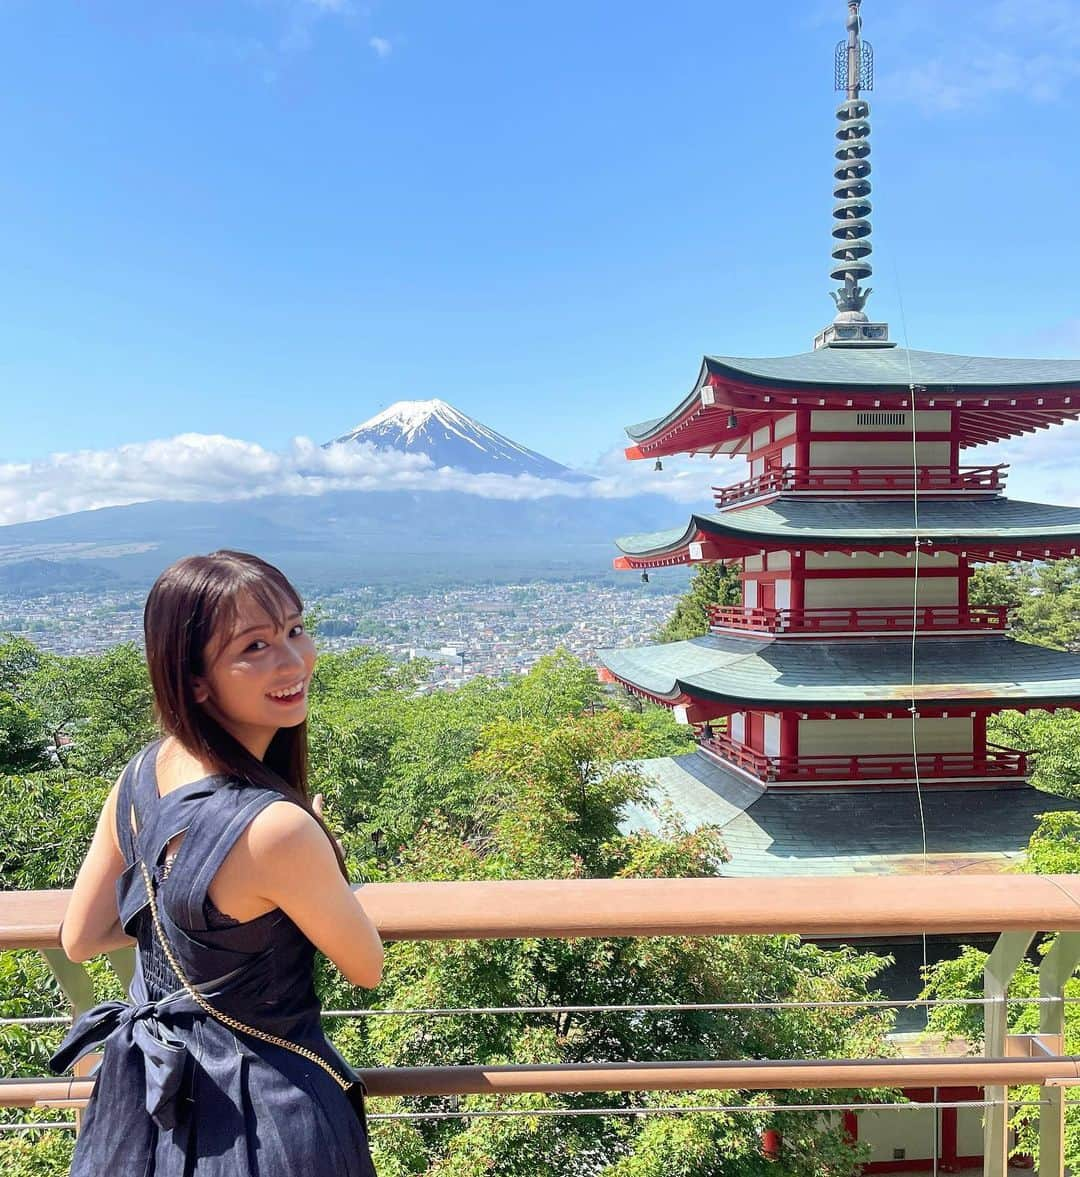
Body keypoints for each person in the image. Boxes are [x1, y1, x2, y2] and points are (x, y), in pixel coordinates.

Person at [49, 549, 384, 1175]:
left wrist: (192, 911)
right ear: (195, 679)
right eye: (253, 647)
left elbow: (82, 936)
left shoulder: (142, 774)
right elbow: (365, 965)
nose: (292, 661)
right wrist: (321, 850)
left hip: (148, 1104)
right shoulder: (275, 828)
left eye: (294, 629)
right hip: (268, 1115)